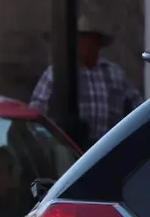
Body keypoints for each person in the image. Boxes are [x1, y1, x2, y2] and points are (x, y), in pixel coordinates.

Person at [30, 16, 142, 148]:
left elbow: (137, 106)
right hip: (70, 149)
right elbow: (37, 112)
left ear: (98, 44)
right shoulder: (57, 73)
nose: (87, 46)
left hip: (110, 147)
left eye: (91, 41)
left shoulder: (114, 74)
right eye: (82, 41)